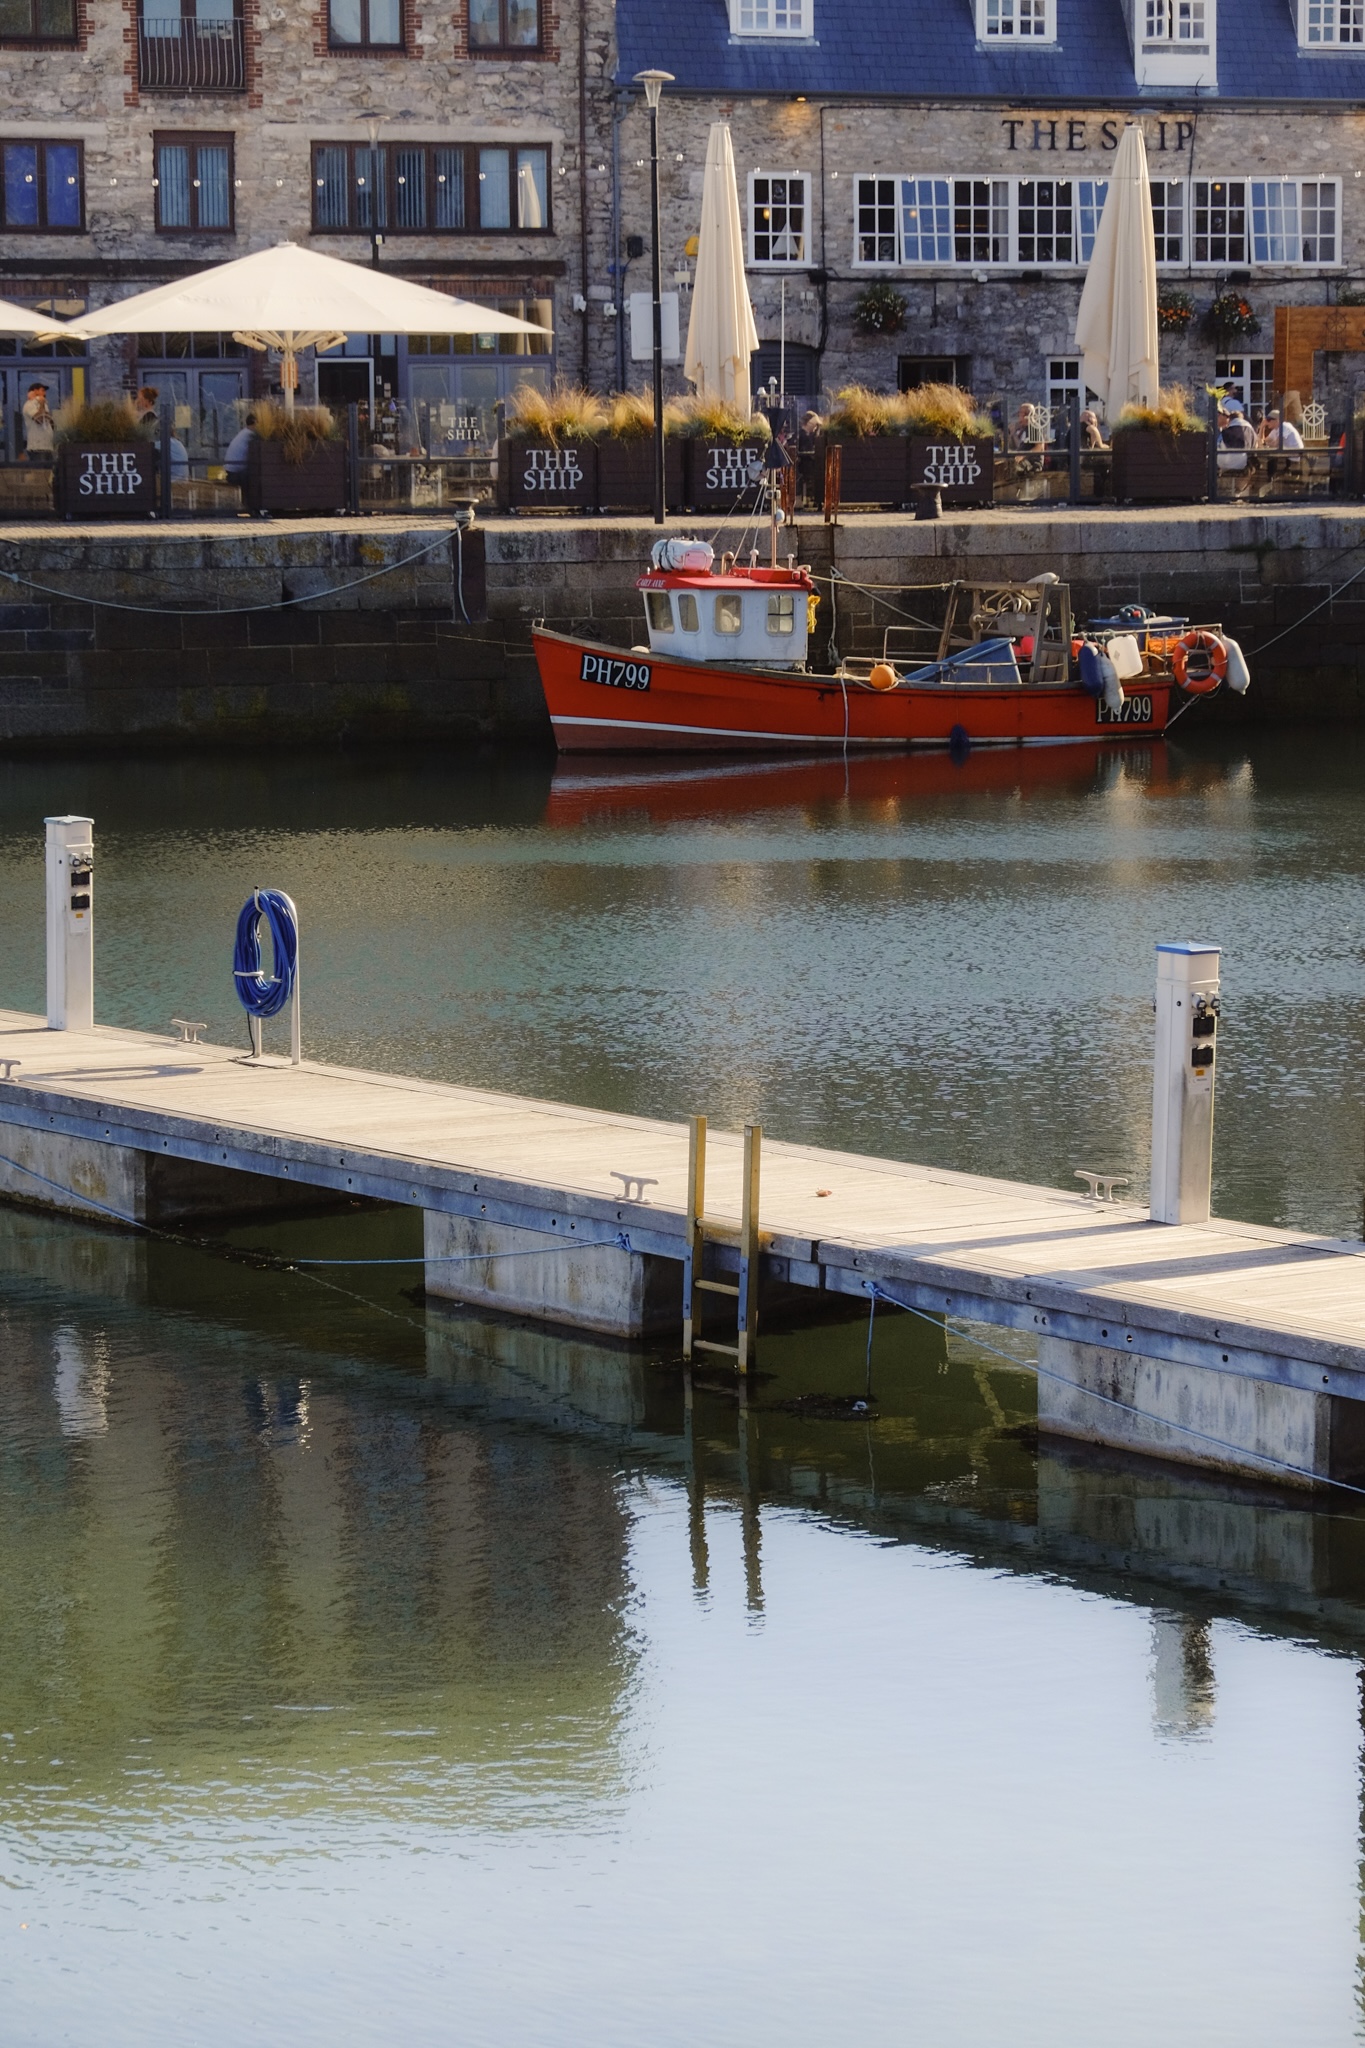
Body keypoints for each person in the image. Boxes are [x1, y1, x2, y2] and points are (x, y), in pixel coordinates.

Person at [21, 381, 54, 465]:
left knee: (49, 474)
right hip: (37, 448)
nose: (44, 393)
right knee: (40, 473)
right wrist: (42, 403)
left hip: (47, 446)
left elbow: (48, 421)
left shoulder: (43, 405)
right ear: (35, 391)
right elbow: (40, 420)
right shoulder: (29, 405)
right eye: (42, 390)